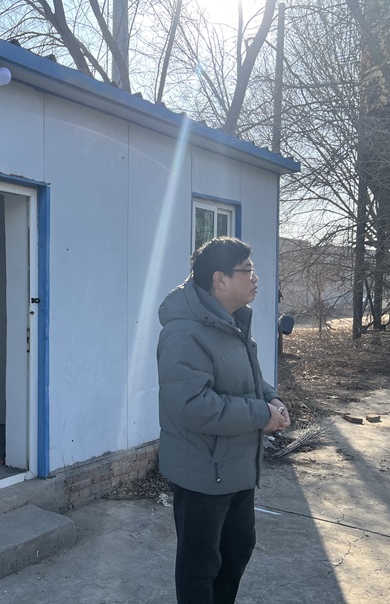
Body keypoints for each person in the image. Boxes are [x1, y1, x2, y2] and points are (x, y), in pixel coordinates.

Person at [156, 236, 290, 604]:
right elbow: (193, 405)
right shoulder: (184, 334)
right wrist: (260, 415)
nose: (256, 278)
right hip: (203, 473)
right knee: (199, 567)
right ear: (220, 280)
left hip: (237, 466)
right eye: (247, 270)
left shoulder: (231, 323)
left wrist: (271, 398)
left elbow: (249, 377)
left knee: (238, 549)